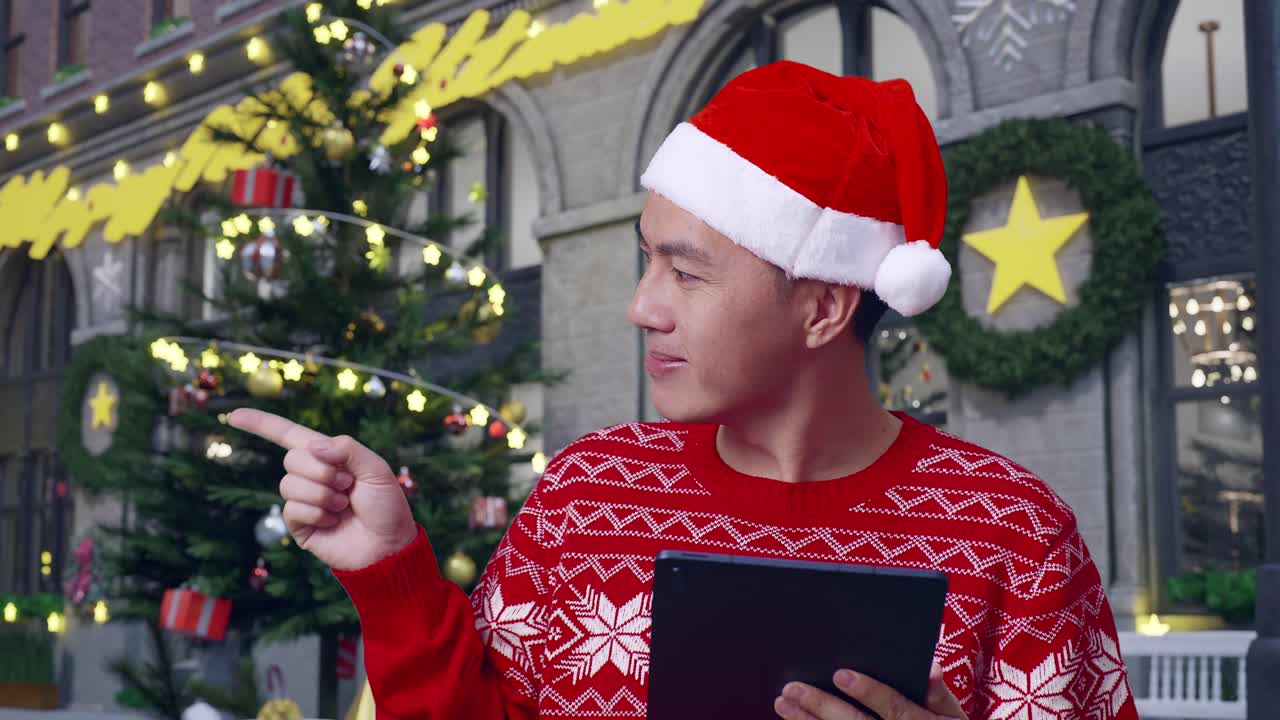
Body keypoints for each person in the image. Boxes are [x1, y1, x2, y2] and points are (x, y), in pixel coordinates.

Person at [229, 61, 1138, 720]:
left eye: (685, 272)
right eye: (644, 261)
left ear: (824, 307)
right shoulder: (585, 494)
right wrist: (392, 574)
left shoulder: (1013, 535)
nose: (641, 307)